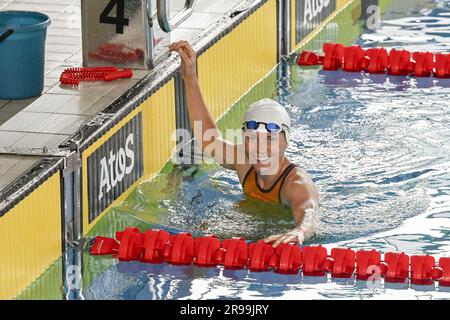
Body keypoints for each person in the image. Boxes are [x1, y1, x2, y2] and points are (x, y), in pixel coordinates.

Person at [169, 40, 319, 247]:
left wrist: (299, 231)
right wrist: (190, 78)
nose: (260, 148)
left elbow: (309, 211)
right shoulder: (243, 160)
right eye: (252, 138)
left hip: (279, 229)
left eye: (270, 139)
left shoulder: (296, 184)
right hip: (251, 220)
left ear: (286, 140)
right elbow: (208, 139)